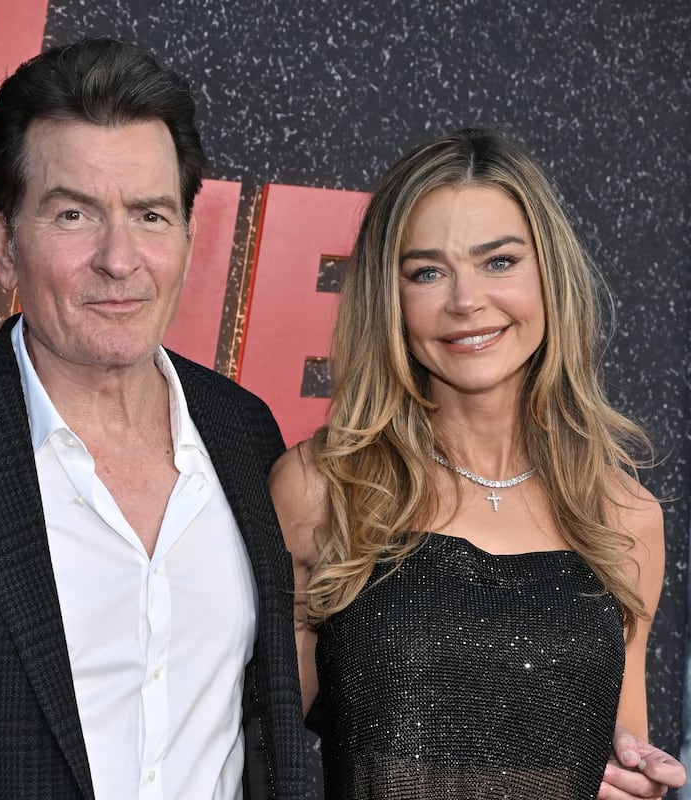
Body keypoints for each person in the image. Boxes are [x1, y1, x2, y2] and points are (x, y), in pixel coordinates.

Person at [0, 37, 305, 799]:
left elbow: (283, 724)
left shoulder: (247, 435)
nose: (119, 259)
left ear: (187, 234)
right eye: (74, 213)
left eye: (150, 214)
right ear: (4, 245)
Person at [270, 128, 686, 799]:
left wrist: (636, 787)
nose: (466, 300)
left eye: (498, 262)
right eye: (427, 272)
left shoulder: (624, 517)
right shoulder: (323, 490)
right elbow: (256, 754)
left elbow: (619, 761)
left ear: (549, 275)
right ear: (389, 298)